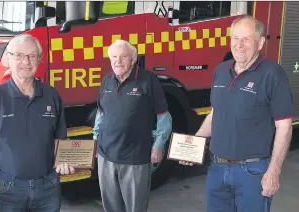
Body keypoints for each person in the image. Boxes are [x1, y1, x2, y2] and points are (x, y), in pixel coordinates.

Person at [180, 15, 294, 211]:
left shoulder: (273, 74)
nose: (239, 45)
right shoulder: (221, 71)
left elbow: (284, 127)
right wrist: (194, 143)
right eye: (235, 38)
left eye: (246, 39)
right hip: (217, 167)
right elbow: (216, 113)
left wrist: (273, 171)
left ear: (260, 43)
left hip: (252, 171)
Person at [0, 34, 75, 212]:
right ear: (8, 59)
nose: (26, 62)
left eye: (32, 56)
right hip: (8, 190)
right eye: (19, 55)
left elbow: (60, 138)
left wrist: (64, 160)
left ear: (39, 59)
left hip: (47, 187)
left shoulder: (51, 95)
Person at [93, 39, 172, 212]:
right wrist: (95, 141)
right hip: (106, 156)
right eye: (114, 56)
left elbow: (163, 116)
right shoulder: (107, 80)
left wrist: (158, 145)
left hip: (135, 158)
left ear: (133, 59)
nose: (118, 61)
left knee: (135, 207)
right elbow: (101, 114)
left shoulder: (148, 80)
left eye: (123, 57)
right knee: (111, 207)